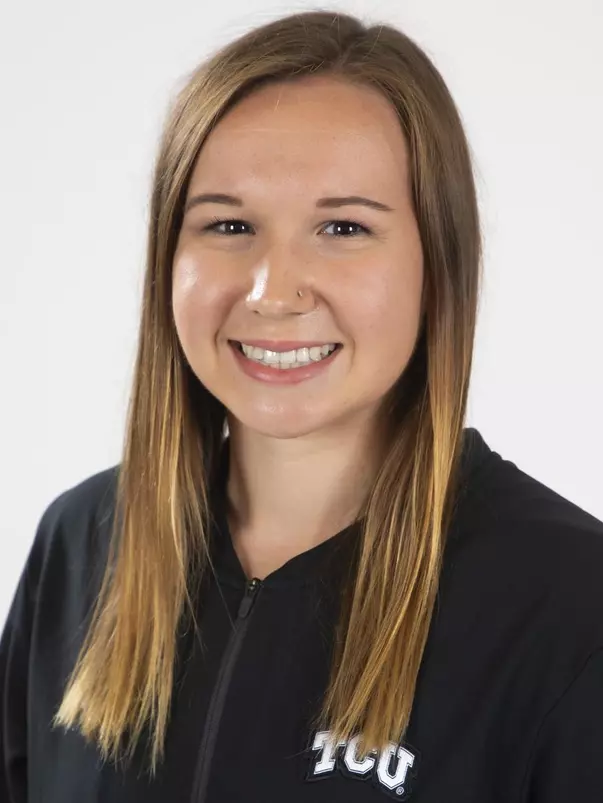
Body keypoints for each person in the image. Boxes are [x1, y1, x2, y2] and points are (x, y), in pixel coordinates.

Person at [1, 9, 602, 803]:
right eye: (228, 224)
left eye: (343, 226)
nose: (272, 291)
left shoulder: (567, 600)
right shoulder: (79, 547)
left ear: (437, 263)